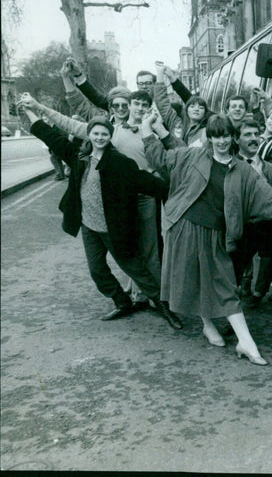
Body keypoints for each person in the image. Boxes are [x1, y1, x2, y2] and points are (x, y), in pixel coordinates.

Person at [142, 112, 272, 365]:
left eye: (225, 135)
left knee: (224, 285)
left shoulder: (242, 169)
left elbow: (266, 195)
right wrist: (145, 130)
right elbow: (162, 160)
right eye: (216, 136)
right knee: (198, 281)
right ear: (209, 137)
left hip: (216, 235)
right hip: (185, 228)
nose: (221, 141)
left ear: (233, 137)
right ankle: (223, 332)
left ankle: (243, 341)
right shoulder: (193, 155)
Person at [19, 100, 180, 328]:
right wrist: (29, 111)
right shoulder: (78, 156)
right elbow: (49, 135)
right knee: (97, 270)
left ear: (110, 137)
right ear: (89, 135)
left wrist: (178, 190)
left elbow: (147, 182)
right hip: (89, 226)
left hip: (114, 228)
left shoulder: (119, 163)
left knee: (135, 269)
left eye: (105, 134)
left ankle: (163, 306)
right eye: (96, 133)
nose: (100, 138)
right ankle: (122, 301)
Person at [229, 119, 272, 307]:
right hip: (243, 225)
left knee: (269, 255)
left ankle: (259, 293)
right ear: (236, 138)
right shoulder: (231, 166)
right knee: (236, 265)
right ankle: (230, 310)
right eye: (247, 135)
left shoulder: (270, 168)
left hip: (268, 223)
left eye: (256, 135)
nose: (253, 139)